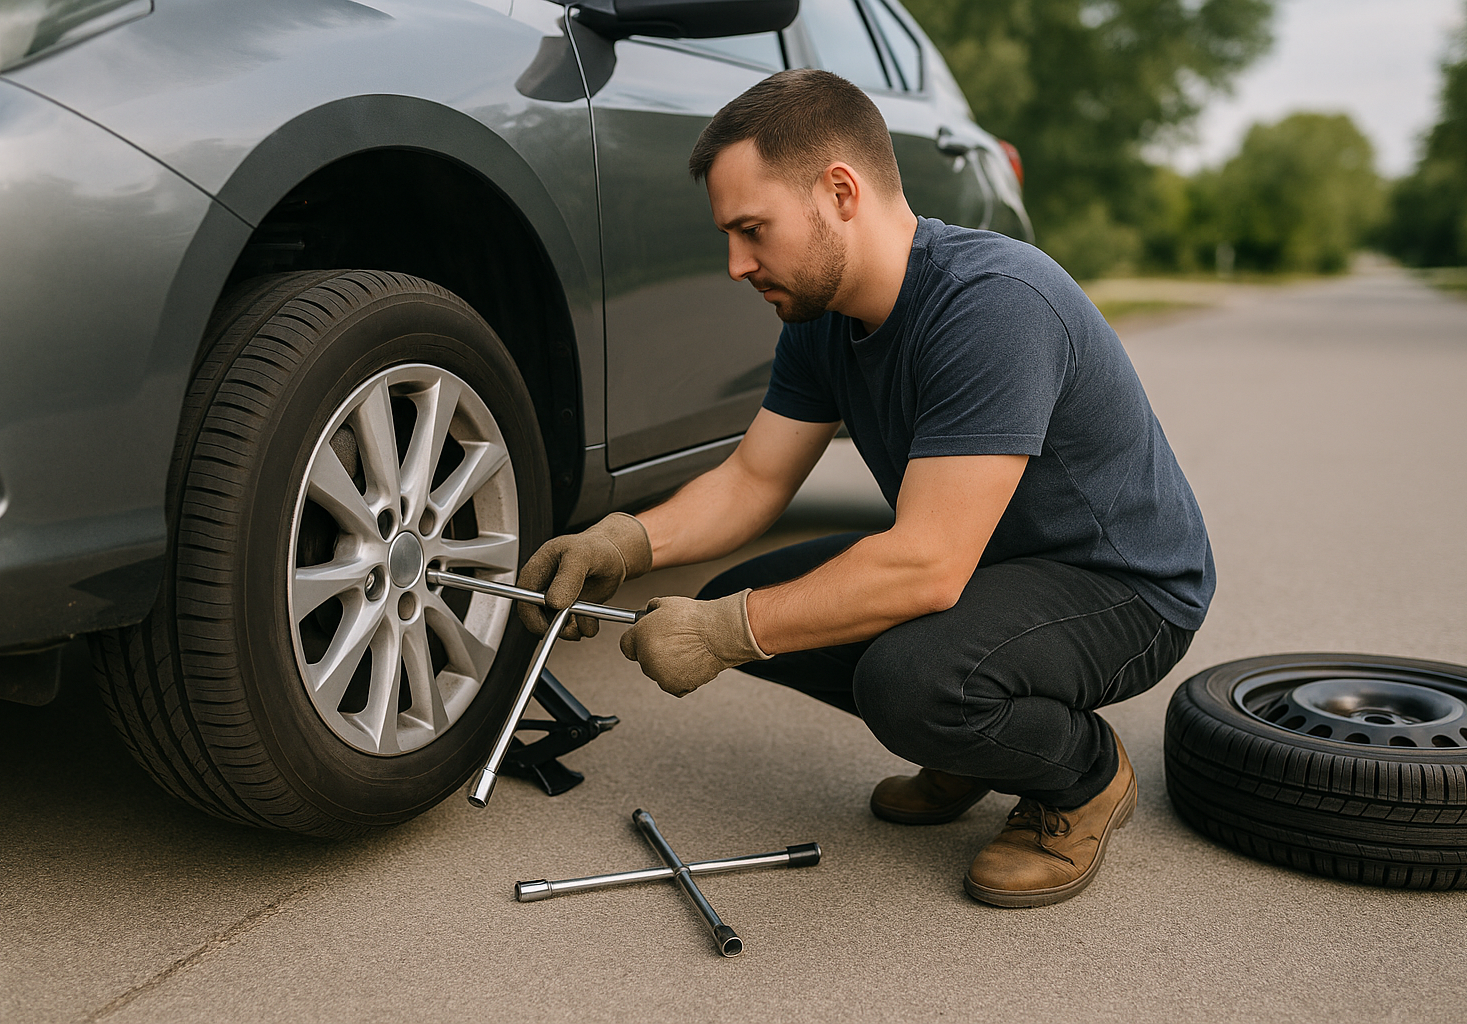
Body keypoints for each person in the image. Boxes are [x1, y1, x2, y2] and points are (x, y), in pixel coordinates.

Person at [515, 69, 1214, 908]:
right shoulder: (824, 320)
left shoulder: (993, 305)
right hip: (992, 563)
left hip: (1125, 587)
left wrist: (725, 635)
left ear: (840, 192)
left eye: (752, 230)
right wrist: (622, 543)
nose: (737, 265)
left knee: (905, 681)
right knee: (753, 589)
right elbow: (752, 481)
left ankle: (1082, 775)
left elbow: (926, 567)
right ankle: (973, 742)